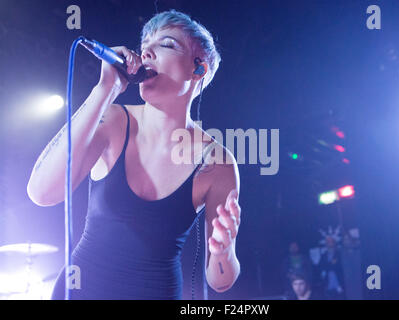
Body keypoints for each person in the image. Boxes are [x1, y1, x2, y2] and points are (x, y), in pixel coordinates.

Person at [27, 10, 241, 299]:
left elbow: (220, 281)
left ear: (198, 68)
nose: (146, 52)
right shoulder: (113, 121)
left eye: (165, 44)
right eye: (144, 46)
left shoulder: (217, 161)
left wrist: (224, 252)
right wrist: (104, 89)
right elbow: (42, 192)